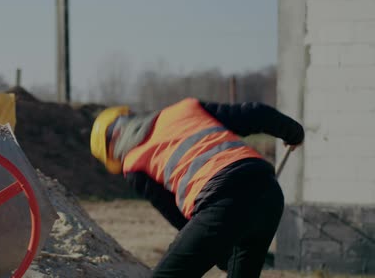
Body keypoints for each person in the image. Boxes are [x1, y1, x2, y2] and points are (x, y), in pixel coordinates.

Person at [90, 98, 304, 278]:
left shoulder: (134, 164)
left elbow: (180, 219)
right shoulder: (185, 109)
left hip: (223, 202)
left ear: (114, 143)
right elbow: (256, 114)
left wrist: (220, 253)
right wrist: (293, 133)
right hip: (268, 192)